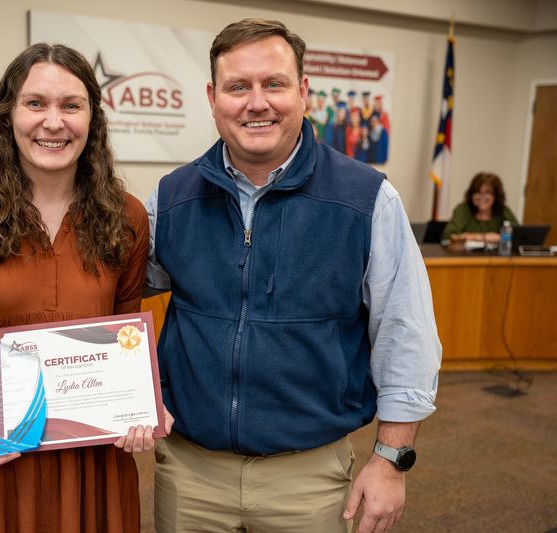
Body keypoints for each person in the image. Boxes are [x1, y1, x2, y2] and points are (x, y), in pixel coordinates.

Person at [146, 18, 441, 533]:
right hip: (191, 475)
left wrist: (392, 461)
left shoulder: (366, 199)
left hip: (309, 478)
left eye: (274, 84)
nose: (256, 103)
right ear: (213, 98)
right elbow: (111, 296)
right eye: (238, 87)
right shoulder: (172, 198)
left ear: (303, 92)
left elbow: (406, 334)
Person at [0, 43, 158, 532]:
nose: (53, 122)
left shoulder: (125, 217)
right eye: (35, 103)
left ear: (93, 119)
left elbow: (127, 340)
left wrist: (135, 409)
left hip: (91, 460)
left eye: (71, 105)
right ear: (8, 115)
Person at [441, 172, 519, 244]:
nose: (482, 197)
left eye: (488, 193)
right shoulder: (463, 209)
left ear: (496, 195)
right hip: (464, 257)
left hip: (495, 257)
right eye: (477, 192)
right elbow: (448, 236)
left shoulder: (503, 210)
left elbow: (518, 235)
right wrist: (481, 237)